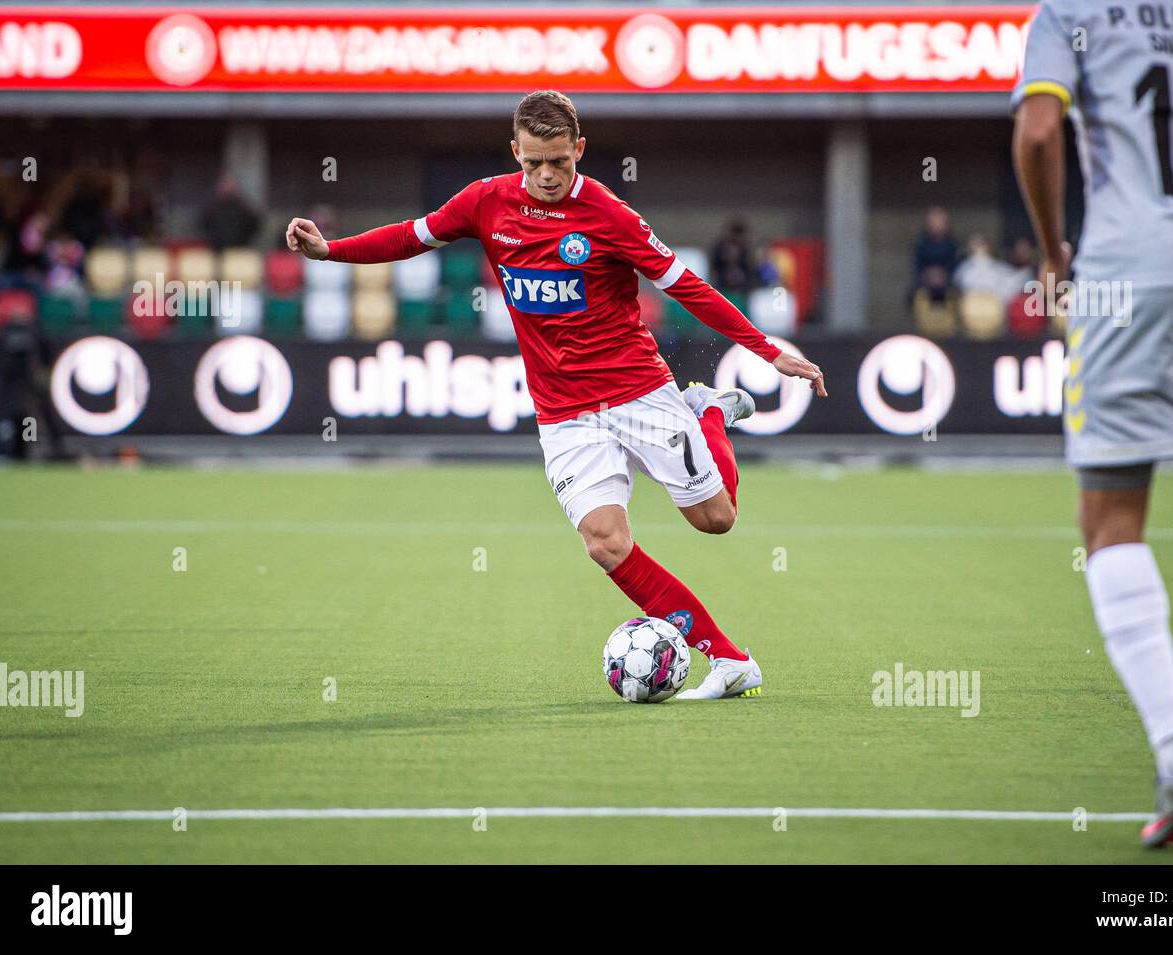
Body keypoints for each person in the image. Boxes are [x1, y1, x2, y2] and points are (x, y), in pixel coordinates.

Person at [285, 90, 827, 699]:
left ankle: (706, 414)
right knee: (605, 542)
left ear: (580, 151)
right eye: (534, 161)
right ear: (515, 151)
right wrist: (332, 251)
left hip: (637, 389)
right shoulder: (484, 201)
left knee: (716, 520)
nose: (546, 175)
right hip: (564, 411)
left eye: (560, 162)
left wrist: (769, 350)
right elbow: (410, 238)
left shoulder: (609, 215)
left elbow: (687, 286)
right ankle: (728, 660)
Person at [1013, 0, 1173, 847]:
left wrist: (1057, 258)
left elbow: (1041, 132)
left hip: (1130, 277)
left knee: (1111, 520)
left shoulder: (1071, 16)